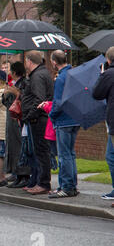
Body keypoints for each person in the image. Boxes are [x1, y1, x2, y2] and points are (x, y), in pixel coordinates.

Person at [43, 50, 80, 198]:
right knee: (70, 154)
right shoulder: (73, 75)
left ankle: (66, 187)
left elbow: (58, 103)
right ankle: (72, 185)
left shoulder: (60, 78)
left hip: (63, 120)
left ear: (54, 62)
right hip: (75, 118)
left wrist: (51, 115)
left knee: (64, 155)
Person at [22, 50, 54, 195]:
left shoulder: (38, 76)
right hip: (40, 118)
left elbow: (39, 99)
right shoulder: (42, 73)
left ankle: (43, 183)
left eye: (26, 61)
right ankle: (40, 182)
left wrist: (28, 115)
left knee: (41, 152)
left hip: (39, 119)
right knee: (41, 151)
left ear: (29, 61)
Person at [3, 62, 31, 188]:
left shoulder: (24, 83)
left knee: (20, 148)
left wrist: (16, 92)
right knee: (13, 147)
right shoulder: (13, 84)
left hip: (19, 120)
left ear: (14, 72)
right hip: (12, 120)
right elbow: (6, 103)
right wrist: (5, 94)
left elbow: (25, 99)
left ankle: (23, 175)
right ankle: (16, 174)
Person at [92, 46, 114, 199]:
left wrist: (102, 75)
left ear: (108, 59)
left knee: (111, 156)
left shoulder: (108, 74)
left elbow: (97, 93)